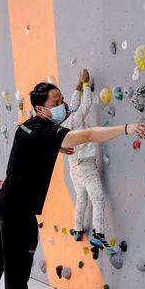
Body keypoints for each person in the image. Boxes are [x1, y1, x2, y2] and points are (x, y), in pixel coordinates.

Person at [0, 82, 145, 289]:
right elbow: (86, 135)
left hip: (4, 200)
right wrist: (127, 128)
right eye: (56, 103)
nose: (62, 106)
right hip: (19, 207)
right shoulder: (45, 132)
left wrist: (57, 147)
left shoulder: (27, 125)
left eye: (62, 100)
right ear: (41, 109)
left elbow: (34, 144)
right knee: (18, 266)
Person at [61, 68, 112, 251]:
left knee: (81, 199)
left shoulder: (61, 125)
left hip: (74, 168)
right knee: (97, 199)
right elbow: (85, 104)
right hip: (86, 166)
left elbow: (74, 106)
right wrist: (85, 85)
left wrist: (78, 85)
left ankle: (77, 229)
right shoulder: (74, 119)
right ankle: (98, 234)